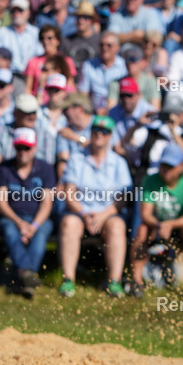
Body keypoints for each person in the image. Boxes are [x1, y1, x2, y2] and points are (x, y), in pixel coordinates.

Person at [59, 116, 132, 299]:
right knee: (69, 224)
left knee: (117, 226)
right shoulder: (77, 159)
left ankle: (114, 281)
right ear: (90, 133)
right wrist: (84, 214)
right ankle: (68, 280)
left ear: (110, 136)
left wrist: (103, 215)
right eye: (96, 130)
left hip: (107, 213)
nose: (100, 134)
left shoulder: (119, 162)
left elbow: (123, 197)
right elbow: (69, 193)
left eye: (105, 132)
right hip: (79, 211)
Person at [129, 143, 183, 300]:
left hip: (180, 226)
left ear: (182, 166)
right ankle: (136, 281)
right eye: (163, 165)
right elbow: (145, 214)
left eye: (171, 166)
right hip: (156, 225)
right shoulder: (150, 180)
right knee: (141, 231)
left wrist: (170, 225)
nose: (166, 170)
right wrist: (160, 225)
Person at [0, 127, 55, 298]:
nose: (22, 152)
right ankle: (29, 275)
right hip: (11, 218)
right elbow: (1, 203)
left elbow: (47, 204)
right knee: (10, 231)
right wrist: (20, 223)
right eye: (19, 147)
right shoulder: (4, 168)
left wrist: (33, 226)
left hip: (37, 218)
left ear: (34, 148)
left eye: (26, 148)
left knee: (41, 233)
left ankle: (24, 275)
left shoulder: (46, 168)